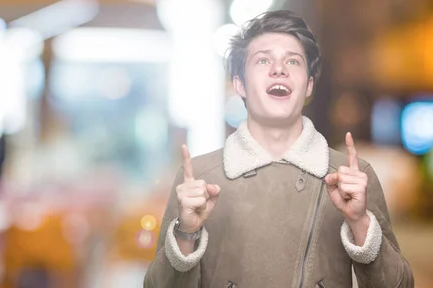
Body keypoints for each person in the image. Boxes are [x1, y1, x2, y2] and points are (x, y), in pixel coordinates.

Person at [143, 10, 414, 288]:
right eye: (263, 60)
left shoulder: (351, 178)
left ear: (308, 85)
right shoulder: (198, 179)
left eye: (293, 61)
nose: (279, 69)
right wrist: (186, 233)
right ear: (240, 84)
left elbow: (400, 285)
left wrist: (359, 222)